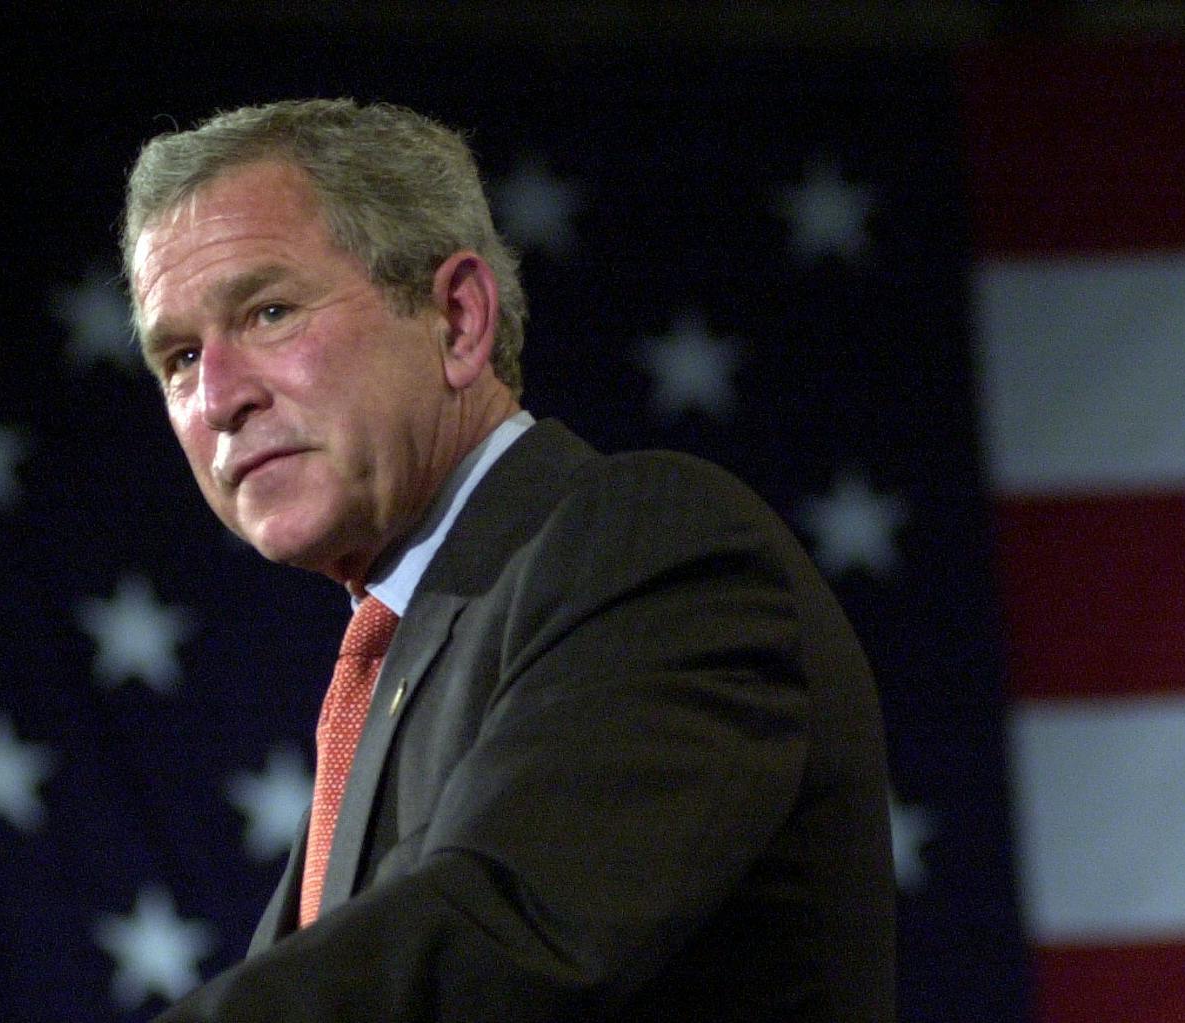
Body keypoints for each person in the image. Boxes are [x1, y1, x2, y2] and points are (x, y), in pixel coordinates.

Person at [118, 98, 894, 1021]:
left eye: (270, 311)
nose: (218, 397)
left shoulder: (653, 547)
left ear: (457, 318)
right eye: (177, 357)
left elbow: (503, 940)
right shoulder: (393, 660)